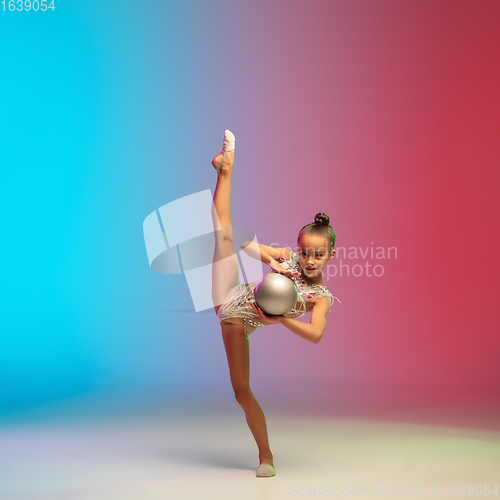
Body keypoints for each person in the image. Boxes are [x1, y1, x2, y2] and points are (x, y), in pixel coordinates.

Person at [210, 130, 340, 478]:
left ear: (330, 256)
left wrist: (282, 320)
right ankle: (226, 168)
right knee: (225, 232)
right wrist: (269, 258)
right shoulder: (289, 259)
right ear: (297, 249)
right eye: (304, 252)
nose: (309, 261)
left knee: (241, 393)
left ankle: (265, 456)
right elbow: (243, 242)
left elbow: (315, 336)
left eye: (317, 255)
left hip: (238, 322)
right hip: (230, 295)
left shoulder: (320, 298)